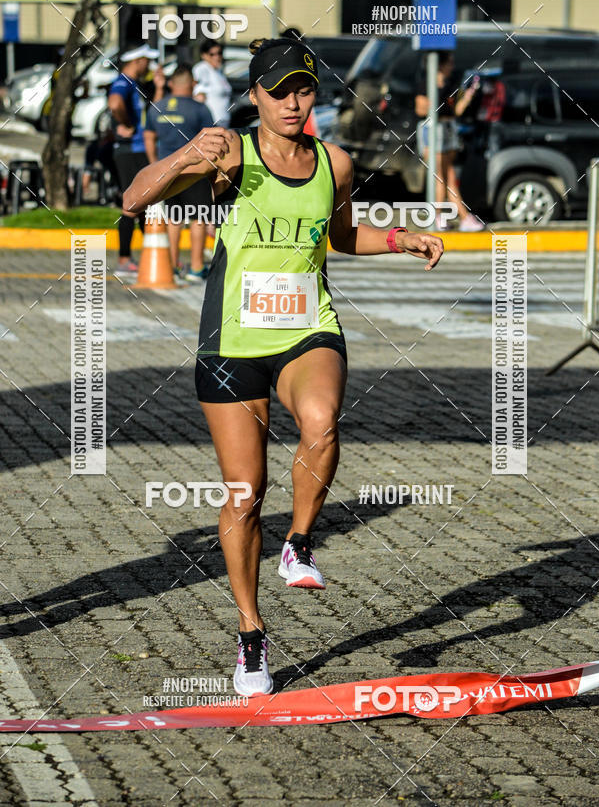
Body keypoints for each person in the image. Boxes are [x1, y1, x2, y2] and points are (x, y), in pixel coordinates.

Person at [122, 37, 444, 696]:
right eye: (278, 92)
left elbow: (341, 235)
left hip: (306, 328)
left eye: (303, 90)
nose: (292, 103)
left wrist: (400, 238)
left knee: (321, 420)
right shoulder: (229, 154)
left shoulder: (335, 162)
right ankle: (250, 632)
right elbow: (134, 200)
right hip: (232, 341)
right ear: (255, 97)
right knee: (246, 493)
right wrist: (186, 153)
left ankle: (297, 543)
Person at [144, 64, 214, 280]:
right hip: (195, 170)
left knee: (174, 217)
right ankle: (196, 268)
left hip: (168, 170)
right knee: (198, 217)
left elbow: (149, 137)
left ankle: (173, 265)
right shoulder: (200, 109)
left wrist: (155, 164)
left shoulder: (157, 107)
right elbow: (210, 140)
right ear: (192, 84)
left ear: (171, 83)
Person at [108, 44, 164, 274]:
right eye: (147, 60)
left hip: (139, 149)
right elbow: (114, 103)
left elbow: (152, 114)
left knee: (145, 205)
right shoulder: (122, 82)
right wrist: (125, 123)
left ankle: (157, 254)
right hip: (131, 150)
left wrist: (159, 87)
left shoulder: (135, 84)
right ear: (137, 61)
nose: (149, 65)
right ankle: (124, 259)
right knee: (132, 206)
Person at [415, 51, 485, 231]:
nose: (452, 67)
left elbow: (456, 111)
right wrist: (435, 101)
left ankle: (461, 218)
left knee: (449, 177)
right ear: (440, 64)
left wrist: (468, 95)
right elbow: (420, 109)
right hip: (433, 129)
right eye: (449, 63)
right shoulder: (426, 84)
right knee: (441, 177)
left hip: (448, 129)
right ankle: (441, 217)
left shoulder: (450, 85)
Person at [192, 40, 232, 127]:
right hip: (211, 122)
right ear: (204, 55)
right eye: (212, 54)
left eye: (219, 53)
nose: (217, 57)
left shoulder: (218, 71)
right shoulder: (202, 69)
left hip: (223, 121)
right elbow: (199, 95)